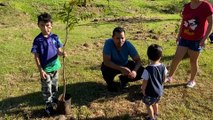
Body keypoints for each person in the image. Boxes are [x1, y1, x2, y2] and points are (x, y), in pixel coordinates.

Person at [166, 0, 213, 88]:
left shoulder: (206, 6)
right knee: (176, 58)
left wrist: (204, 38)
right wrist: (179, 35)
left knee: (193, 61)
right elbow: (183, 22)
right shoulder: (187, 6)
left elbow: (211, 23)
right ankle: (169, 77)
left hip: (197, 40)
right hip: (184, 38)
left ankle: (192, 80)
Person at [31, 12, 66, 115]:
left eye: (47, 25)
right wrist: (41, 70)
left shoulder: (55, 37)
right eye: (42, 25)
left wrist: (62, 53)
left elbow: (58, 50)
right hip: (45, 70)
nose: (45, 28)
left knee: (55, 86)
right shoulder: (38, 40)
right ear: (38, 25)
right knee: (47, 89)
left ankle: (54, 100)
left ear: (51, 25)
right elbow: (36, 56)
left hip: (55, 67)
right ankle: (48, 106)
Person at [101, 27, 144, 92]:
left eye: (122, 38)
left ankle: (124, 79)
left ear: (125, 38)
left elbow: (138, 60)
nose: (120, 41)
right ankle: (110, 83)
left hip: (125, 64)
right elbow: (106, 62)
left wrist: (134, 71)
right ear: (113, 38)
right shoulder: (108, 43)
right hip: (112, 66)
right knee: (105, 69)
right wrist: (121, 68)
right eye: (118, 38)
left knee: (143, 72)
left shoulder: (128, 44)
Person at [141, 44, 168, 120]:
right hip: (159, 91)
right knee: (156, 102)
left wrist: (143, 90)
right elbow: (163, 79)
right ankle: (156, 113)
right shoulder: (163, 66)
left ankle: (151, 117)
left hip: (150, 93)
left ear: (148, 56)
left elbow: (145, 82)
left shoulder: (147, 69)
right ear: (160, 56)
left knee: (148, 105)